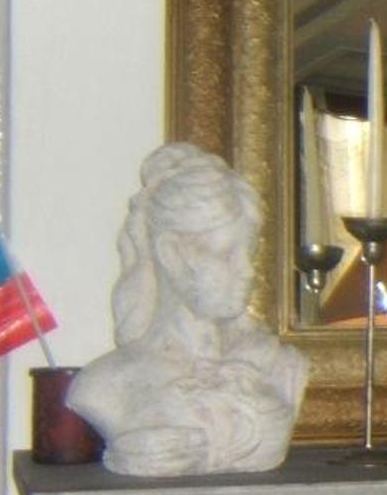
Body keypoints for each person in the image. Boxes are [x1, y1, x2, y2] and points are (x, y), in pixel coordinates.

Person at [70, 143, 310, 476]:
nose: (247, 271)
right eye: (226, 254)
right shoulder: (102, 386)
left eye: (250, 253)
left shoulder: (282, 367)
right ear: (172, 254)